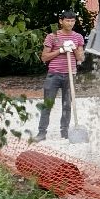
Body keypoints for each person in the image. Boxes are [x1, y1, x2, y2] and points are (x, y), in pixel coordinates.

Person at [36, 10, 85, 141]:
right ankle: (41, 133)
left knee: (67, 105)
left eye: (72, 21)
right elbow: (44, 57)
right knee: (48, 104)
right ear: (61, 21)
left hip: (70, 75)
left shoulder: (78, 37)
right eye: (67, 21)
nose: (70, 23)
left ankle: (65, 132)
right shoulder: (52, 36)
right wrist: (61, 50)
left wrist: (74, 48)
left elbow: (81, 58)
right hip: (54, 74)